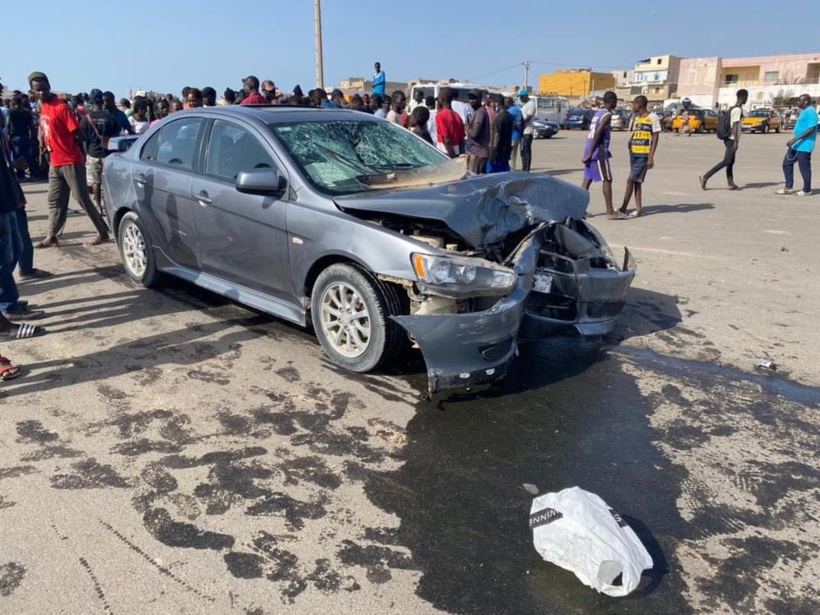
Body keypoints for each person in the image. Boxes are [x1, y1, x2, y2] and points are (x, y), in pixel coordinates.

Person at [28, 71, 110, 248]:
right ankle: (52, 235)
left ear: (49, 87)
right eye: (37, 90)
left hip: (70, 160)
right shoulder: (42, 108)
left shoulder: (61, 108)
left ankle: (103, 232)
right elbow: (44, 129)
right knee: (55, 200)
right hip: (55, 162)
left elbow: (78, 133)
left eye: (44, 89)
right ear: (33, 92)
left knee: (81, 198)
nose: (41, 93)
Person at [619, 95, 661, 218]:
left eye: (634, 104)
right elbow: (636, 131)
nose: (633, 106)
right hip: (634, 153)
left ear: (640, 105)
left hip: (643, 154)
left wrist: (651, 156)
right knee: (637, 182)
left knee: (630, 180)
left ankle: (623, 207)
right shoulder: (637, 118)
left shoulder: (652, 117)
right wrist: (631, 140)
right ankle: (638, 209)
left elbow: (655, 137)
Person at [581, 91, 621, 219]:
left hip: (589, 149)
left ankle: (578, 208)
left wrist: (588, 152)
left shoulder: (598, 113)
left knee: (587, 180)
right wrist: (592, 153)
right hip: (598, 151)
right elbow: (598, 134)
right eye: (616, 101)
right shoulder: (607, 115)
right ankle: (610, 211)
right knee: (607, 179)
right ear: (612, 101)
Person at [81, 89, 120, 216]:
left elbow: (83, 139)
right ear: (102, 101)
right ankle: (110, 205)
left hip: (93, 154)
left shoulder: (86, 119)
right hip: (108, 154)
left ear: (91, 101)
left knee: (95, 183)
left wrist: (87, 153)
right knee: (108, 182)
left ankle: (99, 207)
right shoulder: (110, 117)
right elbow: (116, 136)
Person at [700, 89, 748, 191]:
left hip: (730, 138)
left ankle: (730, 183)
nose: (746, 99)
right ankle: (705, 177)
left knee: (731, 161)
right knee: (727, 161)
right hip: (731, 139)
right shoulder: (737, 110)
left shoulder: (733, 109)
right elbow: (734, 125)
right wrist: (736, 141)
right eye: (746, 97)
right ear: (743, 97)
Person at [777, 94, 816, 196]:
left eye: (799, 100)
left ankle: (807, 190)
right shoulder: (804, 111)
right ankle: (788, 187)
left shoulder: (811, 111)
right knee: (787, 164)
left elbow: (811, 129)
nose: (797, 102)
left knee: (804, 167)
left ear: (806, 101)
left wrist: (795, 139)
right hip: (796, 145)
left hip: (805, 145)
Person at [7, 95, 41, 181]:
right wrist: (33, 136)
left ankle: (21, 174)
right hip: (25, 135)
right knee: (29, 156)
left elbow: (7, 124)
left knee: (17, 156)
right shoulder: (27, 112)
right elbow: (31, 125)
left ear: (13, 103)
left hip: (15, 136)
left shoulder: (11, 112)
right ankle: (34, 173)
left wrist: (8, 135)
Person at [465, 89, 490, 175]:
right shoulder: (477, 111)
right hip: (478, 152)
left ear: (479, 99)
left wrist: (466, 128)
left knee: (474, 179)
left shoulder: (480, 112)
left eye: (474, 98)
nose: (471, 101)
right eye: (470, 98)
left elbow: (475, 133)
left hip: (478, 153)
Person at [435, 87, 465, 158]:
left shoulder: (440, 116)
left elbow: (446, 139)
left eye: (438, 98)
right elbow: (461, 141)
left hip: (444, 154)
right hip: (457, 153)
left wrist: (452, 158)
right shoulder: (458, 116)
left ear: (442, 99)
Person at [489, 94, 514, 173]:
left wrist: (492, 154)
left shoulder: (499, 118)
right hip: (506, 151)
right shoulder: (509, 116)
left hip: (499, 154)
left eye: (492, 103)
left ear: (496, 103)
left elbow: (497, 136)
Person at [519, 90, 536, 172]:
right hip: (522, 132)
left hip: (528, 131)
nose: (521, 99)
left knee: (527, 151)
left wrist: (520, 123)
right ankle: (523, 168)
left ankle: (527, 170)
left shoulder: (531, 104)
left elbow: (528, 118)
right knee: (522, 152)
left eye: (521, 97)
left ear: (526, 96)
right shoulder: (524, 105)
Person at [506, 97, 523, 170]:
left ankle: (511, 171)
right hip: (517, 136)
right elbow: (522, 122)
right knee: (514, 155)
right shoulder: (518, 110)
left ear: (508, 103)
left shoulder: (510, 111)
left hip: (512, 136)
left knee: (510, 156)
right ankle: (512, 169)